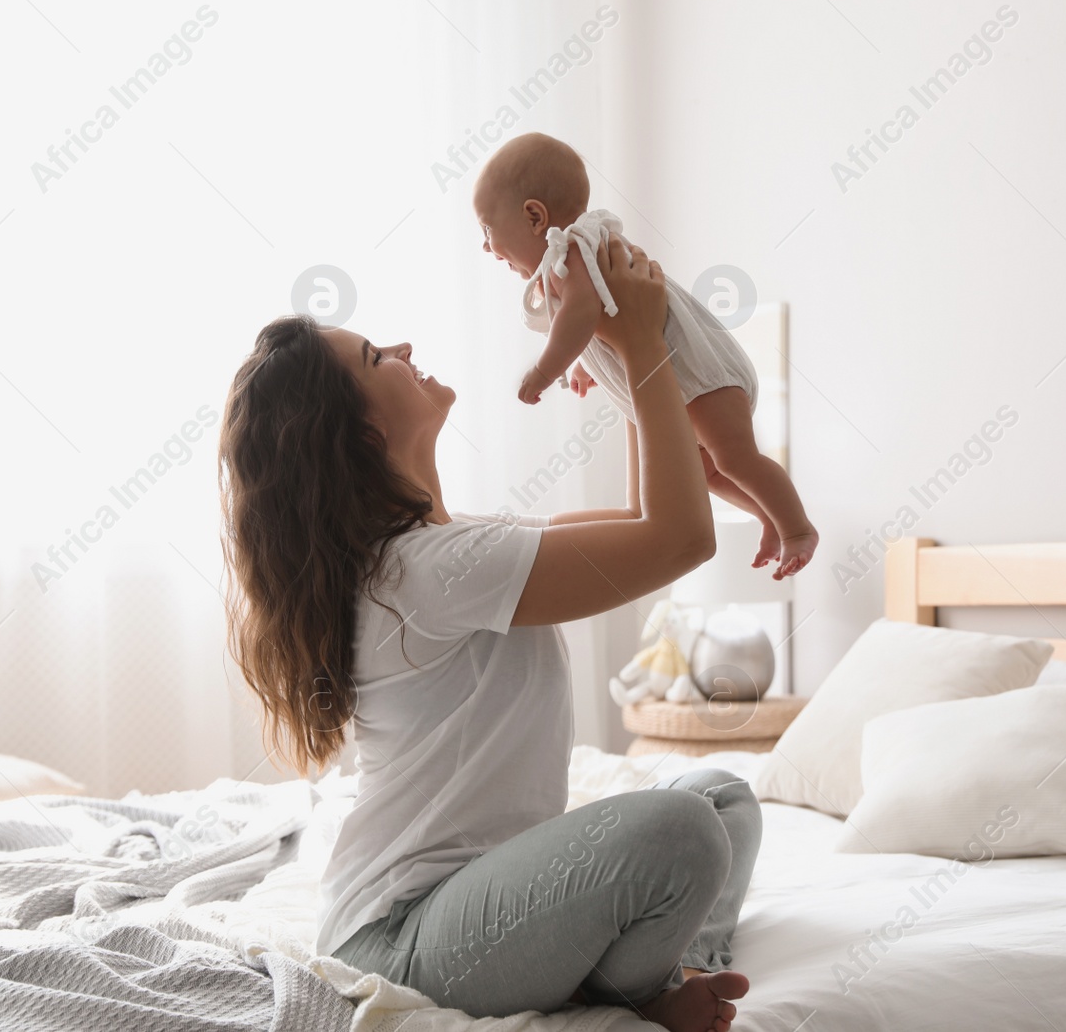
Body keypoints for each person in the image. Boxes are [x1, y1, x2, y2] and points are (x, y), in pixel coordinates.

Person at [219, 237, 758, 1032]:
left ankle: (643, 973)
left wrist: (620, 361)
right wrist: (641, 341)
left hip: (474, 911)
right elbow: (682, 538)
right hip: (405, 935)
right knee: (681, 831)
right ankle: (646, 985)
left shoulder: (445, 552)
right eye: (376, 357)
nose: (401, 348)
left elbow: (651, 526)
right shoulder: (430, 570)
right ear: (364, 436)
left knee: (719, 798)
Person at [473, 131, 818, 578]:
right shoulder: (573, 260)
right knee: (710, 476)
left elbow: (581, 311)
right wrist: (588, 361)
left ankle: (797, 528)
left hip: (702, 378)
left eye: (487, 229)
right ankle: (768, 516)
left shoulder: (576, 248)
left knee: (734, 459)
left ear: (535, 216)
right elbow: (600, 315)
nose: (485, 246)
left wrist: (546, 370)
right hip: (680, 390)